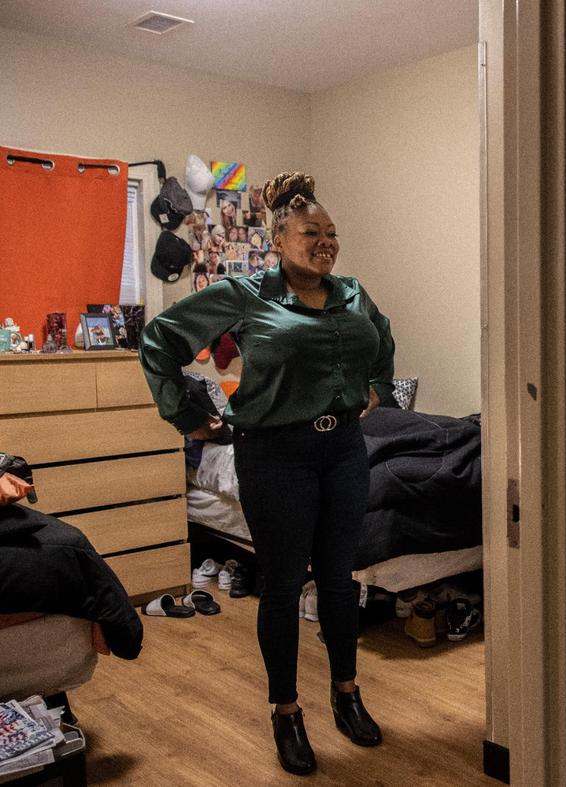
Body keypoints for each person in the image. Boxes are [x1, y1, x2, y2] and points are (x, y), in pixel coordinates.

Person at [139, 172, 395, 777]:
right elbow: (159, 340)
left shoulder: (354, 294)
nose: (326, 241)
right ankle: (286, 712)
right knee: (282, 586)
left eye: (332, 233)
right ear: (279, 238)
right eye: (312, 232)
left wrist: (379, 389)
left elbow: (382, 345)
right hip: (275, 455)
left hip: (345, 451)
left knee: (337, 581)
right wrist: (189, 417)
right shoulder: (243, 295)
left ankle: (347, 693)